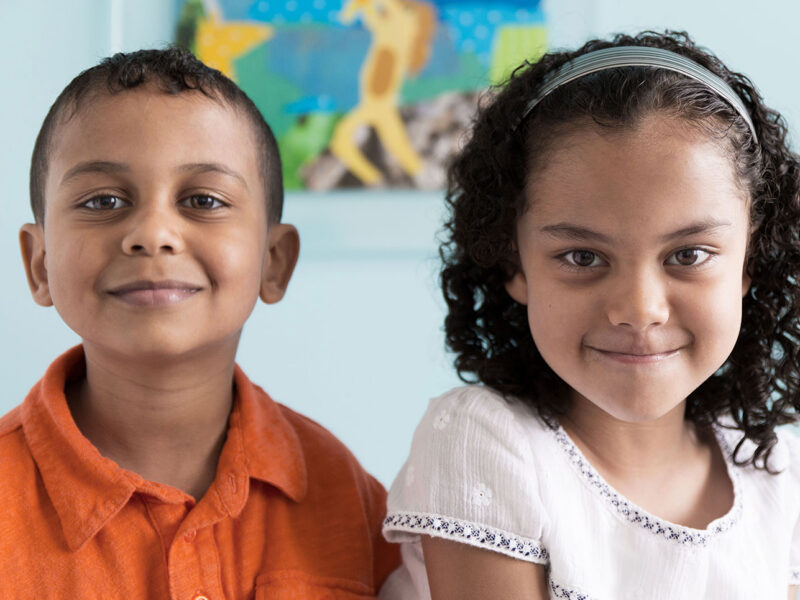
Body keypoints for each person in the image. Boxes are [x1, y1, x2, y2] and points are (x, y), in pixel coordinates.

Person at [380, 30, 800, 600]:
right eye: (582, 257)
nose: (639, 309)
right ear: (514, 263)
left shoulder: (779, 473)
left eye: (688, 255)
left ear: (749, 259)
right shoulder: (485, 439)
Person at [0, 48, 399, 598]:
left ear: (274, 262)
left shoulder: (345, 494)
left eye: (204, 200)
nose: (153, 234)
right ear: (39, 264)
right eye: (103, 201)